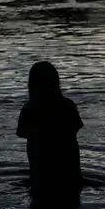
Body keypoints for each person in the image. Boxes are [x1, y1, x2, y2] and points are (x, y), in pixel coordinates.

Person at [17, 62, 84, 198]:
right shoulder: (68, 106)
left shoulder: (29, 109)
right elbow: (75, 132)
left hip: (41, 176)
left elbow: (23, 134)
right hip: (70, 174)